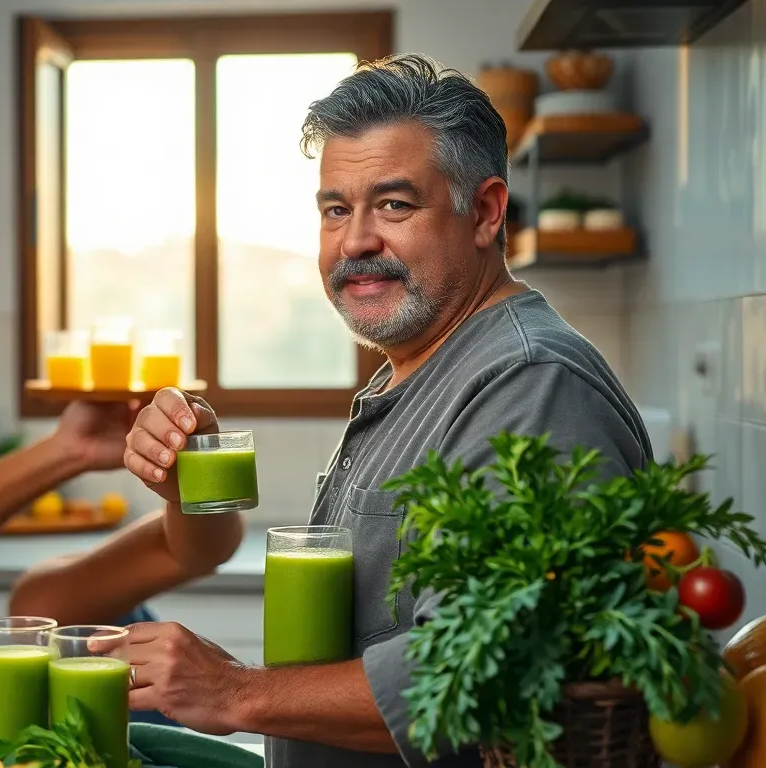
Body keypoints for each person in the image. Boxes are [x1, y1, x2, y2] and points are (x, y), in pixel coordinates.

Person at [113, 55, 652, 768]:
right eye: (336, 210)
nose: (355, 241)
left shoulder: (531, 384)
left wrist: (235, 691)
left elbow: (485, 672)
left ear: (485, 212)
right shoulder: (420, 368)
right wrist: (190, 474)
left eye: (394, 205)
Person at [0, 399, 243, 626]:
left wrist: (199, 468)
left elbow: (208, 548)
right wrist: (67, 449)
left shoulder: (184, 536)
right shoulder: (49, 600)